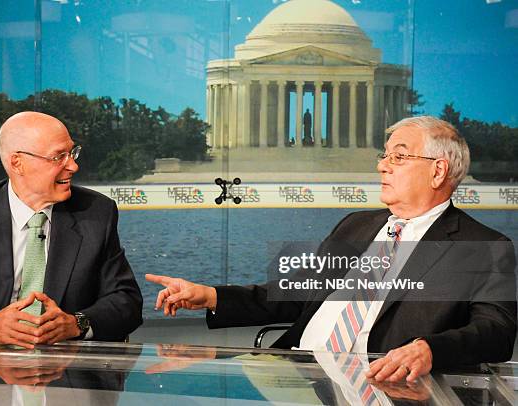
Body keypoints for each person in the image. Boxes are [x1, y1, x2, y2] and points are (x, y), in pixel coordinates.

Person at [147, 116, 517, 382]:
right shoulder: (356, 225)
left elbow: (496, 332)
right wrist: (211, 295)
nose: (382, 167)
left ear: (438, 171)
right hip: (296, 376)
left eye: (398, 157)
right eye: (383, 155)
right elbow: (293, 293)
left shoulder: (484, 247)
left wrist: (430, 349)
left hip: (382, 386)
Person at [0, 111, 143, 348]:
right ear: (17, 163)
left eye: (72, 153)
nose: (73, 165)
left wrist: (76, 324)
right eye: (58, 157)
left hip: (67, 368)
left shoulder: (96, 212)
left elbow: (127, 301)